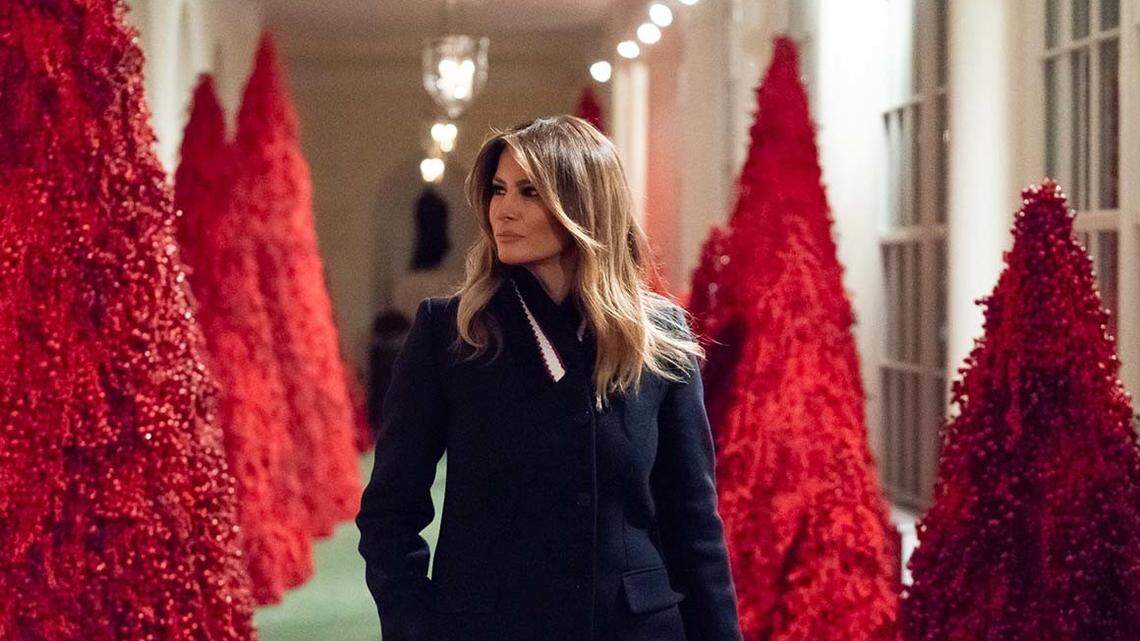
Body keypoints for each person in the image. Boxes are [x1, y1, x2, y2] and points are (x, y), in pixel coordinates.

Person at [356, 114, 742, 641]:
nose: (503, 211)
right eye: (497, 190)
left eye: (529, 192)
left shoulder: (659, 335)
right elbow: (389, 513)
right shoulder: (450, 331)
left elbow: (693, 524)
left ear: (583, 205)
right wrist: (415, 627)